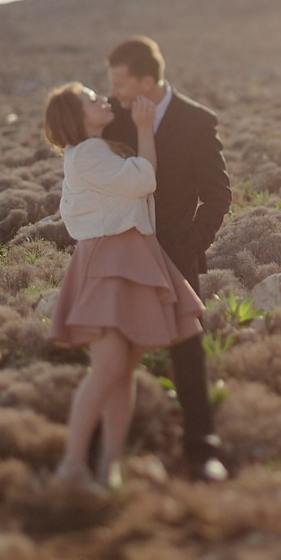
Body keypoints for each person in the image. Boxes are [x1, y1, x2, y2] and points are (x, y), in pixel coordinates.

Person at [41, 81, 205, 486]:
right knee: (110, 366)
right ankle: (73, 466)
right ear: (74, 116)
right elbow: (142, 182)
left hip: (127, 254)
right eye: (89, 98)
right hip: (111, 258)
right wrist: (145, 128)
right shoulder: (89, 152)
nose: (101, 98)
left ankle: (107, 466)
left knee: (124, 369)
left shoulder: (95, 149)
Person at [103, 36, 233, 482]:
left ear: (145, 81)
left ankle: (202, 449)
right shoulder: (111, 116)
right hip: (120, 254)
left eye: (120, 83)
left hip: (177, 255)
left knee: (188, 352)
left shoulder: (197, 121)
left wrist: (190, 245)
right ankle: (106, 454)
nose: (113, 92)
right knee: (112, 352)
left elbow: (218, 195)